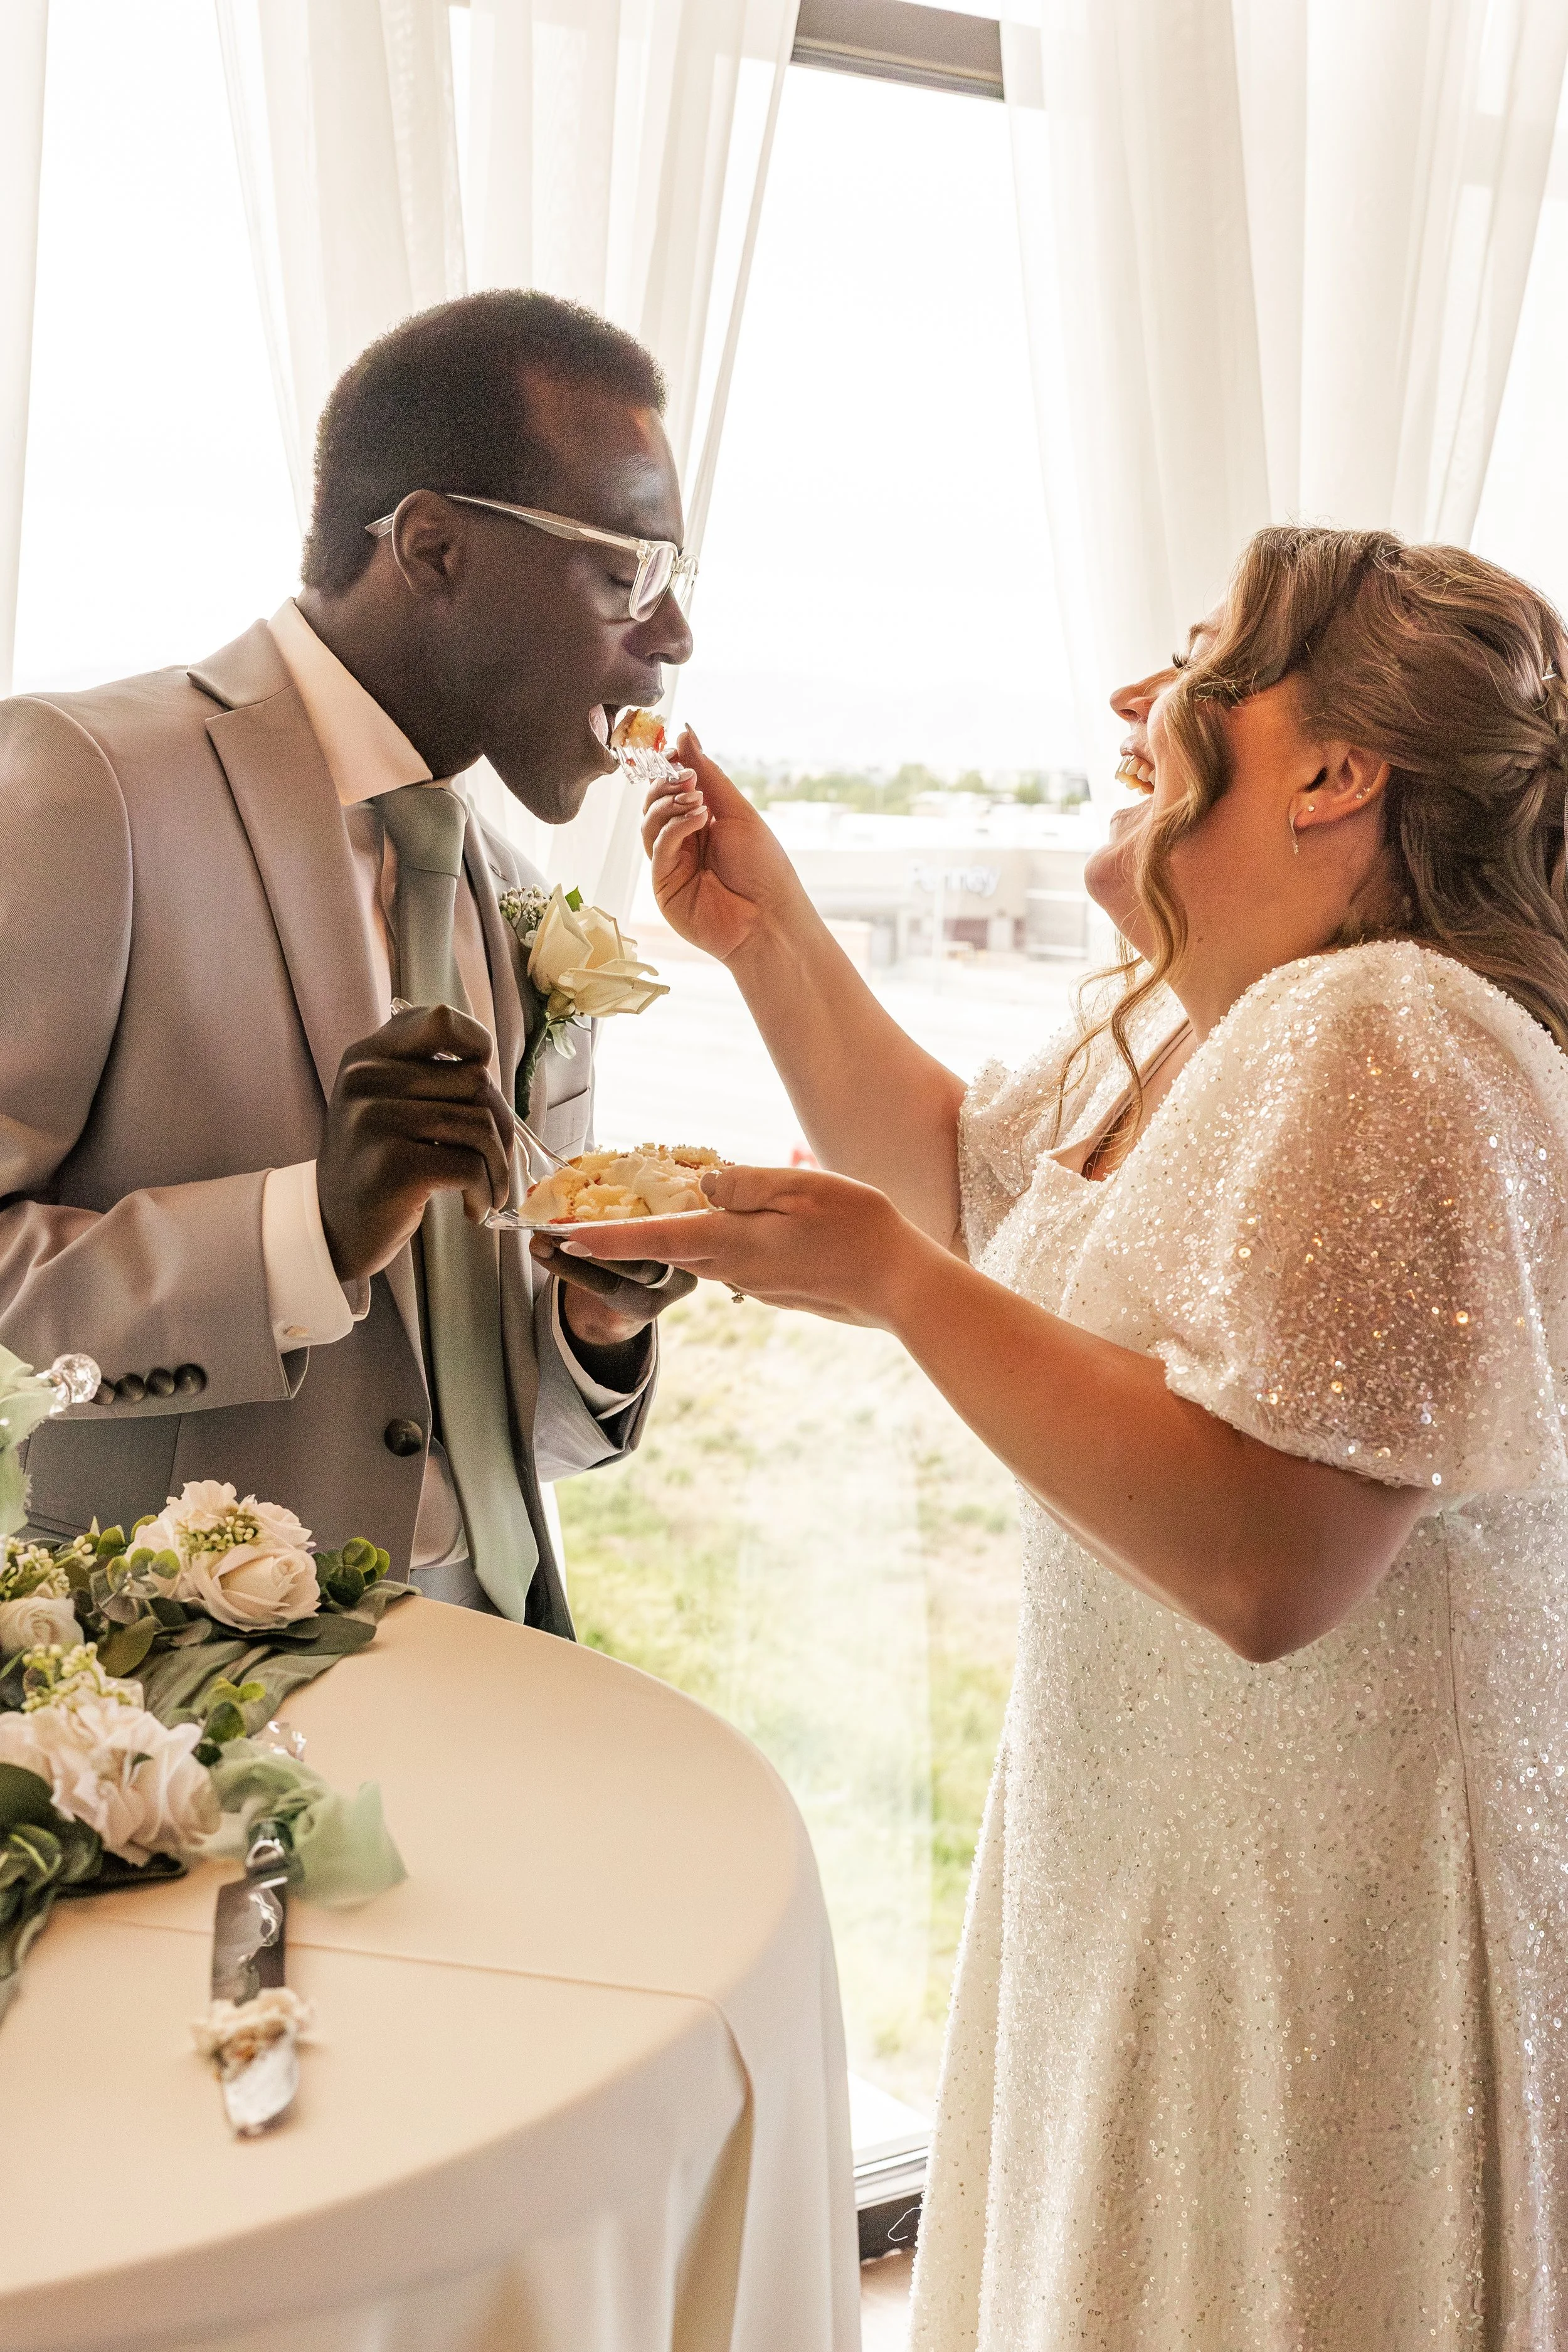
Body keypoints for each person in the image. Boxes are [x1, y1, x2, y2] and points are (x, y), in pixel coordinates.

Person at [569, 525, 1568, 2342]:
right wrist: (767, 928)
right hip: (1155, 1834)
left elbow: (1274, 1564)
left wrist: (885, 1282)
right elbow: (960, 1189)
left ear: (1336, 772)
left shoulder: (1395, 1025)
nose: (1130, 697)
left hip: (1315, 1901)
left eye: (1195, 660)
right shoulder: (1198, 1023)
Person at [0, 290, 697, 1632]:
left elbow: (462, 1416)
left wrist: (592, 1327)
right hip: (176, 1710)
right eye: (628, 571)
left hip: (504, 1663)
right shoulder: (84, 786)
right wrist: (302, 1231)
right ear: (433, 546)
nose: (671, 639)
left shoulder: (510, 894)